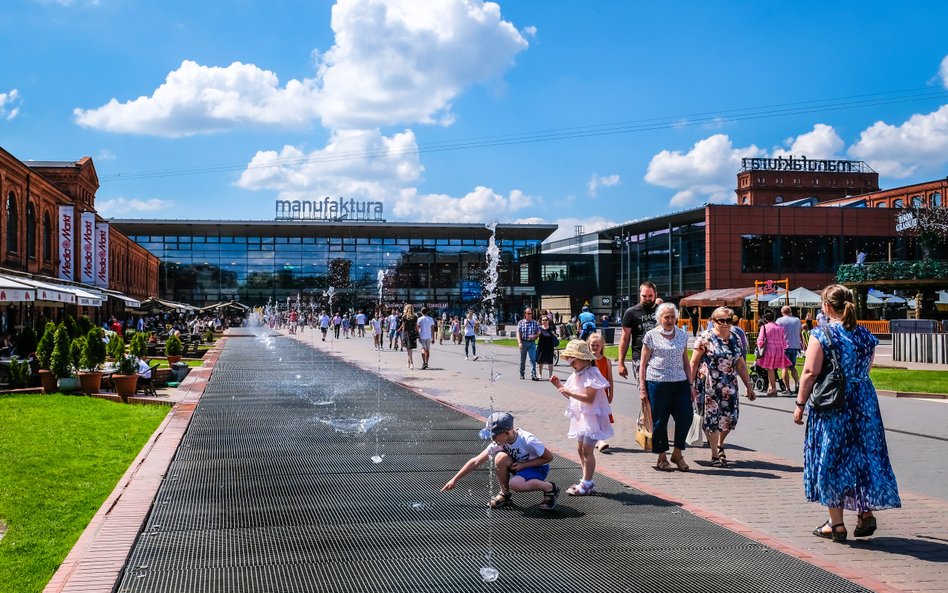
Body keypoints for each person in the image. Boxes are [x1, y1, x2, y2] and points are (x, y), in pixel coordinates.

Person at [793, 284, 901, 543]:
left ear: (827, 307)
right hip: (864, 400)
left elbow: (810, 372)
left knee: (833, 456)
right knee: (865, 455)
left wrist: (799, 404)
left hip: (834, 405)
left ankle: (836, 523)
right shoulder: (865, 334)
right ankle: (865, 512)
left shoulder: (822, 334)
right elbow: (867, 368)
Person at [441, 412, 559, 511]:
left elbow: (548, 458)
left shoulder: (528, 440)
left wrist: (524, 465)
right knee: (500, 457)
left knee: (515, 484)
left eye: (493, 436)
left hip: (537, 468)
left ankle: (550, 488)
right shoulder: (499, 443)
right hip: (518, 466)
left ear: (507, 432)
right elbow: (475, 461)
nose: (492, 439)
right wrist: (454, 480)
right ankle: (505, 494)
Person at [690, 307, 756, 468]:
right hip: (709, 385)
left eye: (729, 320)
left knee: (731, 418)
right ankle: (715, 454)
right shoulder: (705, 338)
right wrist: (690, 385)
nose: (726, 324)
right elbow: (693, 362)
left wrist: (749, 385)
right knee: (711, 420)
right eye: (722, 320)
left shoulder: (736, 338)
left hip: (729, 385)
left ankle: (720, 444)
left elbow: (740, 364)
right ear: (713, 322)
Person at [550, 340, 612, 495]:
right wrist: (559, 386)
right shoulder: (577, 374)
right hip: (582, 417)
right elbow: (572, 397)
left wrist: (569, 391)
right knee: (580, 448)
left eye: (573, 360)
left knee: (587, 450)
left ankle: (587, 482)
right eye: (569, 360)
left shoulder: (591, 373)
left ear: (584, 359)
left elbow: (589, 398)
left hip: (592, 417)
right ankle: (585, 478)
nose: (571, 363)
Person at [639, 303, 695, 472]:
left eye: (672, 316)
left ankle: (677, 453)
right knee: (660, 421)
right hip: (657, 382)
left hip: (680, 383)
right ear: (659, 319)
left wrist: (691, 385)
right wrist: (642, 388)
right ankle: (662, 457)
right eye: (666, 317)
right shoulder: (651, 336)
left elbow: (686, 361)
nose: (669, 320)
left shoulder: (682, 335)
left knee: (686, 417)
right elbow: (643, 364)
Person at [617, 281, 660, 383]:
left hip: (660, 357)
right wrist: (620, 363)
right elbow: (625, 339)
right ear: (639, 295)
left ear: (655, 295)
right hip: (639, 358)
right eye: (644, 296)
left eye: (650, 296)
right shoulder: (631, 313)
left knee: (659, 393)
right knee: (643, 391)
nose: (647, 299)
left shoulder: (662, 311)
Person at [587, 332, 615, 453]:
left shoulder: (606, 361)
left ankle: (600, 439)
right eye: (592, 345)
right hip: (590, 394)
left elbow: (610, 378)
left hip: (602, 395)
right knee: (592, 416)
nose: (594, 348)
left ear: (602, 346)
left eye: (597, 345)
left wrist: (611, 393)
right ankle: (598, 440)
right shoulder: (587, 361)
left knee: (602, 416)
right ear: (589, 345)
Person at [756, 309, 791, 397]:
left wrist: (759, 346)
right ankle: (771, 386)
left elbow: (760, 340)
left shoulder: (764, 327)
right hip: (779, 349)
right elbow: (783, 340)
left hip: (769, 349)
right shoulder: (780, 328)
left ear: (766, 319)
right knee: (775, 368)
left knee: (770, 369)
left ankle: (773, 388)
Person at [776, 305, 804, 393]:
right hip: (795, 345)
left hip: (784, 346)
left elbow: (776, 332)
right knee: (793, 367)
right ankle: (797, 384)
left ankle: (788, 389)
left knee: (785, 367)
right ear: (790, 311)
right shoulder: (797, 320)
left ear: (782, 312)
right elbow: (800, 330)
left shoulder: (780, 320)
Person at [517, 308, 540, 380]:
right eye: (528, 313)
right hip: (523, 342)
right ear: (525, 314)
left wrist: (535, 336)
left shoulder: (535, 322)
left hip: (531, 343)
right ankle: (522, 373)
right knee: (522, 359)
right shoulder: (521, 322)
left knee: (533, 359)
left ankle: (533, 375)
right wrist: (520, 343)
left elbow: (539, 332)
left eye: (531, 313)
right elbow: (518, 333)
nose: (530, 315)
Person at [535, 315, 558, 379]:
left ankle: (550, 375)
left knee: (550, 361)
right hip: (541, 346)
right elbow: (536, 336)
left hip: (550, 346)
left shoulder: (551, 328)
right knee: (540, 361)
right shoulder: (539, 328)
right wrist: (538, 334)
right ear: (541, 321)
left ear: (548, 321)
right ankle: (540, 373)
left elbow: (555, 336)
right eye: (543, 320)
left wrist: (554, 334)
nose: (544, 321)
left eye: (546, 320)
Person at [400, 304, 418, 370]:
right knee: (409, 349)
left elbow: (403, 326)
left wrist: (402, 335)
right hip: (412, 333)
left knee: (409, 349)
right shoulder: (415, 316)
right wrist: (418, 333)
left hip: (406, 333)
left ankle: (412, 364)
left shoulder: (404, 316)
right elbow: (416, 326)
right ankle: (408, 363)